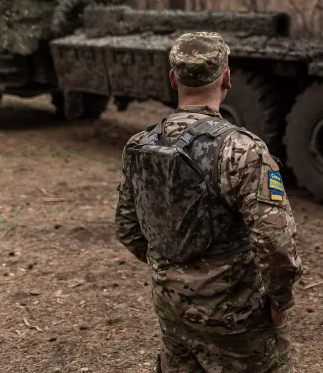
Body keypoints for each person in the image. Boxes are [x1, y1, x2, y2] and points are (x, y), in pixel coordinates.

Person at [115, 31, 303, 372]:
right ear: (227, 77)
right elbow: (276, 242)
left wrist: (173, 272)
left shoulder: (139, 145)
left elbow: (128, 228)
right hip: (235, 316)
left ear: (173, 78)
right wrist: (280, 298)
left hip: (171, 307)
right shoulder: (243, 150)